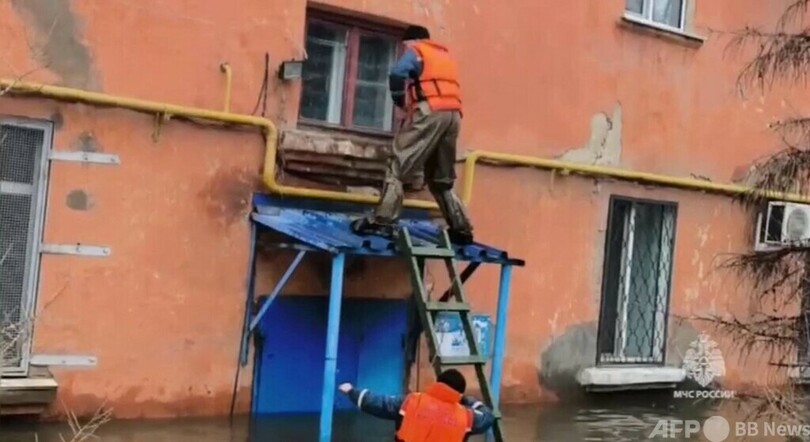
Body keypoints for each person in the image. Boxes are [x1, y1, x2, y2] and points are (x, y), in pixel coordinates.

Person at [350, 24, 475, 245]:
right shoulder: (444, 56)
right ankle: (461, 229)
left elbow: (397, 73)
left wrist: (399, 102)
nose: (405, 49)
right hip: (453, 116)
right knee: (442, 179)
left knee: (397, 166)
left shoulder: (417, 51)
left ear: (411, 41)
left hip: (431, 113)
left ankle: (383, 222)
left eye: (405, 45)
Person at [337, 368, 495, 441]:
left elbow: (381, 403)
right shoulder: (466, 417)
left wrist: (352, 391)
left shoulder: (412, 401)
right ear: (458, 393)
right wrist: (468, 400)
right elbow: (488, 416)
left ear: (438, 383)